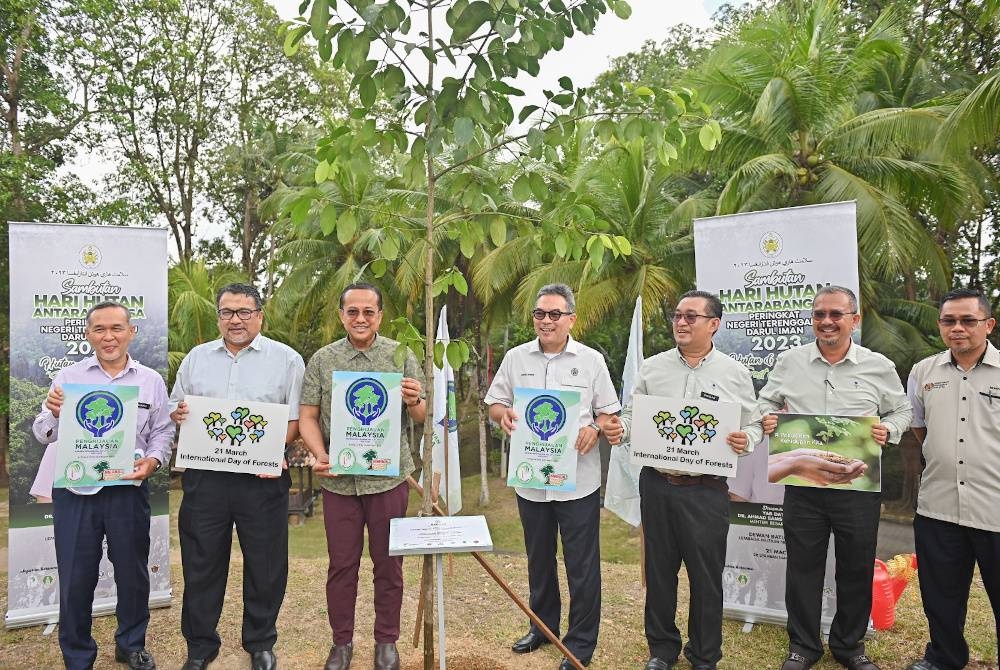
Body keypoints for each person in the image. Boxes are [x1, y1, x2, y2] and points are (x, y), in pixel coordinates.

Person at [756, 285, 912, 670]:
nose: (826, 321)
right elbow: (765, 401)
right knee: (803, 567)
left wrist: (887, 431)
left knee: (855, 567)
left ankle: (849, 646)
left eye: (836, 314)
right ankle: (803, 647)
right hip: (804, 489)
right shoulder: (790, 362)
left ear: (853, 320)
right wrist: (769, 418)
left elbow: (902, 409)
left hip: (858, 490)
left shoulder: (879, 366)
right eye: (819, 314)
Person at [604, 290, 761, 670]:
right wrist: (618, 430)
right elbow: (630, 417)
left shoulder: (735, 374)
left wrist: (747, 438)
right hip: (657, 484)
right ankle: (661, 650)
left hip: (706, 491)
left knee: (706, 576)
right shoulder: (653, 368)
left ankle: (704, 654)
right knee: (659, 572)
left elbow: (753, 423)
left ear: (714, 325)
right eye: (677, 315)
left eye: (691, 316)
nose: (681, 322)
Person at [169, 283, 305, 670]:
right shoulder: (196, 358)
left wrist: (266, 454)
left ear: (260, 315)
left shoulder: (287, 360)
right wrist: (178, 414)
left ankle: (260, 641)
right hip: (206, 477)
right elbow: (178, 407)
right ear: (218, 317)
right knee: (201, 561)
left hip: (261, 479)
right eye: (227, 312)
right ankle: (200, 645)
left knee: (265, 563)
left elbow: (294, 420)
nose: (235, 320)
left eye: (244, 312)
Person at [485, 283, 621, 670]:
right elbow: (495, 402)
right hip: (531, 479)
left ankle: (579, 643)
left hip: (578, 481)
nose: (546, 321)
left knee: (581, 565)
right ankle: (541, 628)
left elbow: (609, 413)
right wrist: (503, 415)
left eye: (554, 314)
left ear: (571, 319)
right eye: (539, 314)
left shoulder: (591, 361)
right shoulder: (515, 358)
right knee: (538, 559)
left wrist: (595, 429)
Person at [32, 302, 173, 670]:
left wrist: (154, 461)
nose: (108, 336)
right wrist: (54, 414)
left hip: (127, 488)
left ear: (131, 332)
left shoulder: (150, 380)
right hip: (76, 491)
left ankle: (131, 645)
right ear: (87, 334)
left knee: (132, 572)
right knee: (77, 576)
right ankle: (78, 655)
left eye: (116, 328)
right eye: (99, 329)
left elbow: (162, 432)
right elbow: (42, 433)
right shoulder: (68, 377)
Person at [298, 282, 427, 670]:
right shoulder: (322, 360)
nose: (360, 318)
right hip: (339, 480)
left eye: (368, 311)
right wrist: (319, 454)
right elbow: (308, 416)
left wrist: (415, 399)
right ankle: (342, 643)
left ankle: (386, 641)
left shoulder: (400, 356)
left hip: (388, 481)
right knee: (342, 565)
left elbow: (421, 417)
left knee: (389, 564)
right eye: (352, 311)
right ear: (341, 316)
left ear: (380, 316)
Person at [904, 288, 1000, 670]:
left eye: (967, 320)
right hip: (938, 506)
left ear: (988, 325)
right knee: (940, 595)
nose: (957, 328)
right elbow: (920, 428)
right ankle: (944, 658)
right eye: (949, 321)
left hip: (995, 507)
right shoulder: (923, 372)